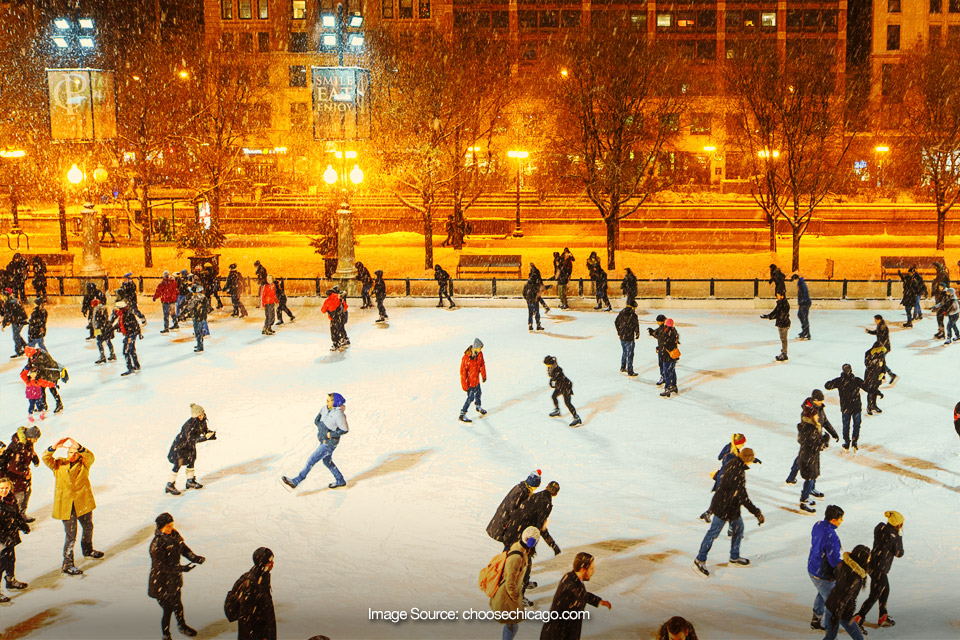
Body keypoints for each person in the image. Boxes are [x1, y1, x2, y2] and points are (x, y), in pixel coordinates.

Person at [693, 448, 764, 577]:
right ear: (747, 460)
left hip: (731, 507)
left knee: (738, 528)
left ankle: (734, 557)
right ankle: (699, 560)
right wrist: (756, 512)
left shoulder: (734, 463)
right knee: (713, 534)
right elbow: (743, 497)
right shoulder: (737, 473)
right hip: (723, 507)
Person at [42, 437, 103, 575]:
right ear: (66, 453)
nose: (73, 455)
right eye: (70, 452)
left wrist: (80, 447)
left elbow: (91, 457)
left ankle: (88, 550)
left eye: (76, 453)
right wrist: (54, 447)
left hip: (83, 503)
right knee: (71, 535)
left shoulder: (84, 464)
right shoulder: (58, 464)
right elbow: (45, 457)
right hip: (67, 506)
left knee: (88, 527)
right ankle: (67, 564)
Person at [148, 512, 204, 640]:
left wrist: (195, 558)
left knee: (178, 604)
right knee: (168, 609)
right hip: (161, 582)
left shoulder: (174, 536)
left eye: (171, 525)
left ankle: (182, 625)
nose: (171, 528)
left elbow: (184, 549)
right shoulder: (157, 544)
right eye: (168, 526)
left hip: (173, 580)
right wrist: (182, 568)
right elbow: (161, 566)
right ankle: (166, 634)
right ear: (161, 527)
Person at [282, 393, 349, 490]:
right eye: (327, 400)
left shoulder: (339, 415)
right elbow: (317, 420)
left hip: (329, 444)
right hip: (323, 441)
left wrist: (330, 434)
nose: (326, 402)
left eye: (329, 401)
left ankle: (296, 481)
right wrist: (322, 428)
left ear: (335, 402)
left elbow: (344, 430)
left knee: (311, 460)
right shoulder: (324, 409)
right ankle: (340, 481)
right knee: (327, 462)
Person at [539, 552, 612, 640]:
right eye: (591, 569)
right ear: (583, 570)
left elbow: (583, 594)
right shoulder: (571, 587)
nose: (593, 571)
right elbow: (558, 624)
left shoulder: (572, 578)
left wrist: (598, 601)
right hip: (558, 634)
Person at [854, 511, 904, 631]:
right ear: (898, 524)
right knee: (875, 595)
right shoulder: (893, 536)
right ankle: (858, 618)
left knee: (885, 590)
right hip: (880, 569)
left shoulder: (880, 527)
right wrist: (899, 536)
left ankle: (883, 616)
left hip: (872, 564)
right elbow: (899, 553)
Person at [490, 526, 538, 640]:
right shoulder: (517, 557)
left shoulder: (521, 549)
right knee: (511, 627)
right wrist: (516, 598)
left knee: (511, 626)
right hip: (506, 597)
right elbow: (509, 583)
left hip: (509, 596)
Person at [699, 433, 754, 524]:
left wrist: (752, 459)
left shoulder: (730, 448)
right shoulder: (731, 454)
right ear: (737, 443)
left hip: (723, 476)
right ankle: (728, 523)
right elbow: (736, 465)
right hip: (726, 478)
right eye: (742, 443)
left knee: (720, 498)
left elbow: (719, 457)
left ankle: (708, 513)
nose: (743, 445)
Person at [787, 391, 838, 485]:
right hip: (809, 439)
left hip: (815, 437)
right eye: (820, 401)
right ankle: (804, 484)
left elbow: (825, 421)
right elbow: (806, 428)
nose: (822, 402)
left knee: (804, 458)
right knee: (807, 460)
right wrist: (814, 437)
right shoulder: (808, 411)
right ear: (815, 400)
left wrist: (833, 433)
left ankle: (793, 478)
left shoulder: (819, 409)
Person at [225, 547, 277, 640]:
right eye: (269, 561)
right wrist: (259, 637)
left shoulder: (262, 577)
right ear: (262, 563)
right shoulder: (251, 583)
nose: (273, 563)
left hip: (262, 631)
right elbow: (245, 616)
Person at [822, 545, 872, 640]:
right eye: (868, 559)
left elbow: (835, 574)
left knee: (830, 637)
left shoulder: (844, 565)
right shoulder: (855, 578)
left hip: (833, 606)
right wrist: (836, 616)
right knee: (857, 638)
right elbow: (843, 597)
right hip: (840, 611)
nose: (869, 561)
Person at [166, 404, 217, 496]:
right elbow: (191, 439)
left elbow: (205, 431)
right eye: (199, 415)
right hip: (180, 447)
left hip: (190, 446)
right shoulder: (189, 425)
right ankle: (170, 484)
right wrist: (205, 437)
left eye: (202, 414)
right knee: (178, 464)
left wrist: (211, 434)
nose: (201, 416)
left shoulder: (202, 421)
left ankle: (190, 481)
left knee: (191, 461)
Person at [808, 505, 845, 631]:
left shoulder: (818, 524)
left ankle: (816, 618)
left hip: (813, 566)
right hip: (823, 573)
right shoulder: (831, 537)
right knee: (831, 600)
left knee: (822, 592)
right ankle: (828, 625)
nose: (842, 521)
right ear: (833, 520)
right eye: (841, 519)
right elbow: (834, 561)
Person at [486, 471, 541, 547]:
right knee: (509, 543)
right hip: (504, 523)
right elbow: (513, 509)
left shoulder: (522, 488)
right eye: (536, 487)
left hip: (505, 521)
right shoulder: (521, 491)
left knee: (510, 543)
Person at [0, 477, 30, 602]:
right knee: (1, 563)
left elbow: (16, 515)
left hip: (10, 534)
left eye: (6, 488)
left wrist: (23, 526)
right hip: (2, 537)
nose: (4, 490)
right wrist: (3, 537)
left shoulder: (10, 499)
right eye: (1, 488)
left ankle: (10, 580)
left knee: (11, 559)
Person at [796, 408, 832, 514]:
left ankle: (806, 496)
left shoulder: (806, 427)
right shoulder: (811, 429)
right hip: (808, 458)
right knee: (810, 479)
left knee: (811, 478)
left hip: (809, 457)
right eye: (816, 415)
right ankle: (804, 501)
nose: (818, 417)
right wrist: (825, 439)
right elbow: (817, 445)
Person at [825, 364, 868, 451]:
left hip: (846, 407)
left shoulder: (840, 381)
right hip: (855, 407)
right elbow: (867, 388)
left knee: (846, 425)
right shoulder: (855, 380)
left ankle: (847, 442)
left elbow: (827, 386)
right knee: (856, 425)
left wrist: (836, 382)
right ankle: (854, 441)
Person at [3, 426, 41, 522]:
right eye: (35, 438)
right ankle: (15, 519)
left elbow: (31, 452)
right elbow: (13, 465)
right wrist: (25, 472)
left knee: (27, 493)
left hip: (23, 477)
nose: (36, 440)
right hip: (15, 477)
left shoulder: (28, 444)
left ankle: (22, 514)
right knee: (19, 497)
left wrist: (35, 458)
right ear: (29, 437)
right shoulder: (17, 445)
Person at [22, 346, 68, 414]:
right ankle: (43, 405)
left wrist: (37, 369)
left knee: (52, 389)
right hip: (44, 375)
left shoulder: (42, 354)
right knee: (42, 389)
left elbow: (48, 364)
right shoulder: (33, 356)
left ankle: (59, 404)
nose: (30, 357)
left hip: (52, 373)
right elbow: (32, 365)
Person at [544, 356, 581, 427]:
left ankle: (576, 418)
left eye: (548, 365)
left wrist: (554, 383)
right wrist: (552, 382)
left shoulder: (557, 370)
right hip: (560, 386)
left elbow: (557, 378)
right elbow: (553, 378)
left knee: (567, 403)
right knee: (554, 396)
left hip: (566, 387)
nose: (547, 367)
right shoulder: (552, 368)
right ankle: (557, 410)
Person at [459, 338, 487, 423]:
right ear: (475, 347)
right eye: (479, 348)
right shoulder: (466, 358)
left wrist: (483, 375)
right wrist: (465, 386)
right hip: (470, 383)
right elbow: (463, 373)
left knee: (479, 393)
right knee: (470, 398)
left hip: (476, 380)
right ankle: (462, 414)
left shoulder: (479, 354)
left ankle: (478, 406)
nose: (480, 350)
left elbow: (482, 364)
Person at [114, 299, 142, 376]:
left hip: (131, 334)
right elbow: (120, 324)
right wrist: (112, 328)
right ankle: (137, 365)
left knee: (126, 351)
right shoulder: (124, 314)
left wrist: (129, 336)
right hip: (132, 334)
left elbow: (132, 325)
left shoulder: (126, 314)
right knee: (131, 350)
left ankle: (130, 368)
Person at [179, 285, 211, 353]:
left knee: (197, 332)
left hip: (197, 316)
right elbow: (208, 307)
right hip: (203, 316)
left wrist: (182, 313)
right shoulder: (204, 297)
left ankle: (200, 346)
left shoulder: (194, 298)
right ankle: (200, 344)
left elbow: (189, 307)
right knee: (200, 331)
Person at [761, 291, 791, 361]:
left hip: (784, 323)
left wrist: (772, 317)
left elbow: (781, 315)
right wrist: (768, 316)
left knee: (784, 339)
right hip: (780, 323)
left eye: (778, 295)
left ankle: (784, 353)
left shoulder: (785, 304)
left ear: (782, 296)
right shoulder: (780, 303)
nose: (777, 297)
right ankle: (783, 352)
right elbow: (775, 311)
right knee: (782, 338)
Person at [866, 314, 897, 381]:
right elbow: (877, 332)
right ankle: (884, 376)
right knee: (880, 361)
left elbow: (884, 338)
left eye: (875, 320)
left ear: (879, 319)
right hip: (882, 347)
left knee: (880, 362)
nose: (875, 321)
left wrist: (881, 347)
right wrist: (869, 331)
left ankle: (890, 375)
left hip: (884, 348)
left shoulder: (882, 326)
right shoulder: (880, 325)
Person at [615, 302, 640, 376]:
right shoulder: (633, 315)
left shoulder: (621, 313)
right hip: (629, 337)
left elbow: (616, 322)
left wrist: (619, 331)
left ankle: (623, 367)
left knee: (624, 352)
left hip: (622, 336)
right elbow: (636, 325)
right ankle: (630, 370)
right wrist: (637, 333)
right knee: (630, 354)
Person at [1, 289, 27, 357]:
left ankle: (19, 350)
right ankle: (25, 346)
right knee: (17, 334)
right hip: (21, 319)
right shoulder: (15, 300)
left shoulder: (8, 303)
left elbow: (8, 314)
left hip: (17, 320)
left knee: (16, 335)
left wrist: (4, 324)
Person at [660, 318, 681, 397]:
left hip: (667, 355)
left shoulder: (666, 333)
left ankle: (667, 388)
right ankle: (674, 386)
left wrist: (660, 348)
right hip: (673, 355)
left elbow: (665, 344)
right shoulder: (674, 332)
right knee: (672, 370)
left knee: (666, 372)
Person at [863, 345, 887, 415]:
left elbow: (884, 365)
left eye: (880, 349)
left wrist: (883, 373)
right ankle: (869, 407)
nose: (879, 351)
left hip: (877, 376)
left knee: (875, 390)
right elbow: (867, 364)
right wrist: (876, 362)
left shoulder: (881, 354)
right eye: (878, 349)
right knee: (870, 391)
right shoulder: (868, 353)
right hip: (870, 375)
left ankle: (874, 405)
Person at [92, 299, 117, 364]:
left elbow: (98, 320)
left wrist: (97, 328)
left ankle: (103, 356)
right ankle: (112, 354)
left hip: (100, 328)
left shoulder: (98, 310)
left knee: (99, 342)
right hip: (104, 328)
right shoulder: (101, 309)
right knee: (107, 341)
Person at [648, 314, 668, 386]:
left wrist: (653, 333)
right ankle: (664, 377)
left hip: (665, 350)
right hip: (662, 348)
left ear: (662, 321)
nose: (657, 323)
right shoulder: (661, 328)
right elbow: (658, 336)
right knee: (662, 364)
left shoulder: (665, 329)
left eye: (658, 321)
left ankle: (666, 378)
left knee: (664, 364)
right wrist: (652, 332)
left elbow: (661, 337)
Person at [793, 271, 812, 339]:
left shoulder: (802, 285)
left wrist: (802, 302)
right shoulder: (800, 284)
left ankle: (807, 333)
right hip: (803, 303)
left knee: (804, 317)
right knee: (800, 315)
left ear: (796, 279)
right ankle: (805, 330)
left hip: (805, 303)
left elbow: (804, 294)